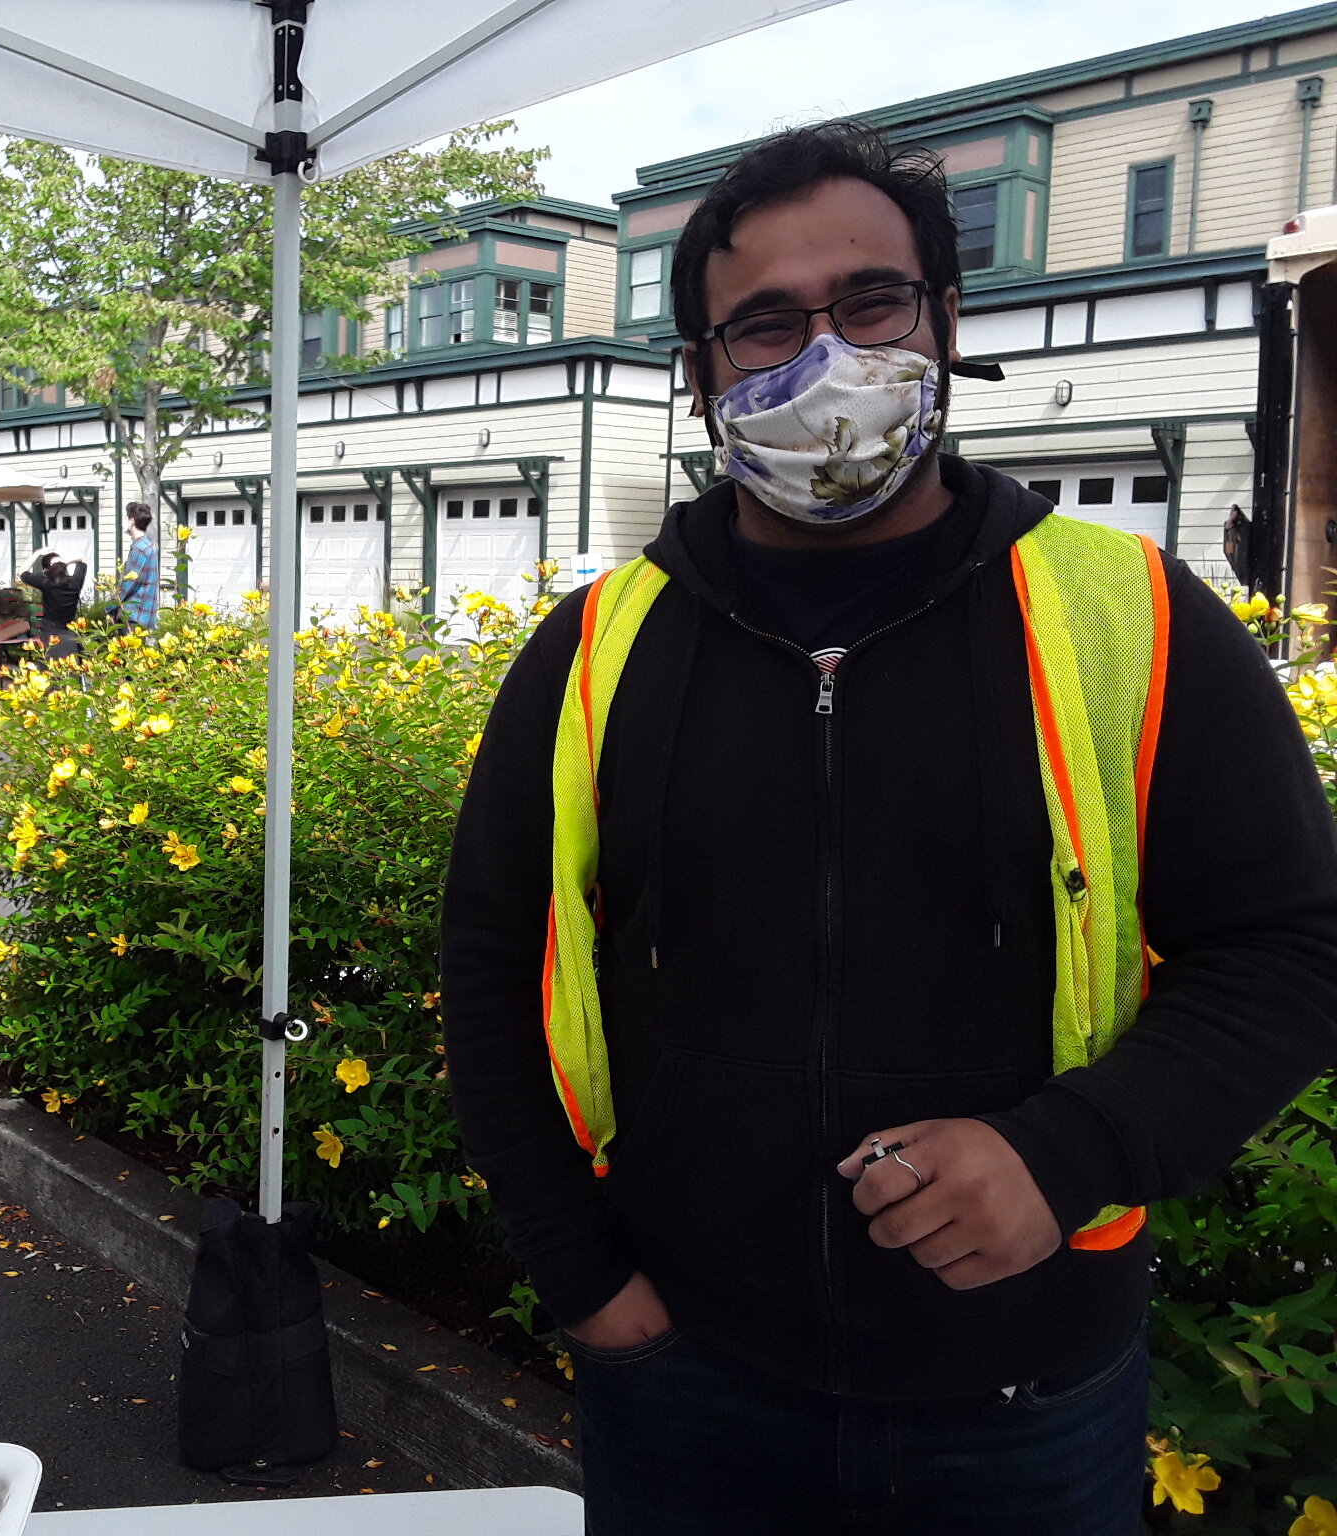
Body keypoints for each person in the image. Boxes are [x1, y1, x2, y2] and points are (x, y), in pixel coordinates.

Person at [441, 122, 1337, 1533]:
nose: (827, 356)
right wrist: (588, 1291)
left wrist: (1070, 1153)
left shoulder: (1138, 617)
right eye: (764, 325)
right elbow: (495, 969)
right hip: (682, 1387)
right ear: (698, 376)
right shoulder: (596, 649)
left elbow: (1292, 950)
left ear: (945, 320)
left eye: (870, 301)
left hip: (1028, 1408)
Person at [116, 501, 160, 628]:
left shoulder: (139, 548)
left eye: (126, 518)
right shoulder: (149, 545)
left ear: (131, 521)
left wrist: (111, 606)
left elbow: (129, 583)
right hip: (145, 615)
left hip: (133, 616)